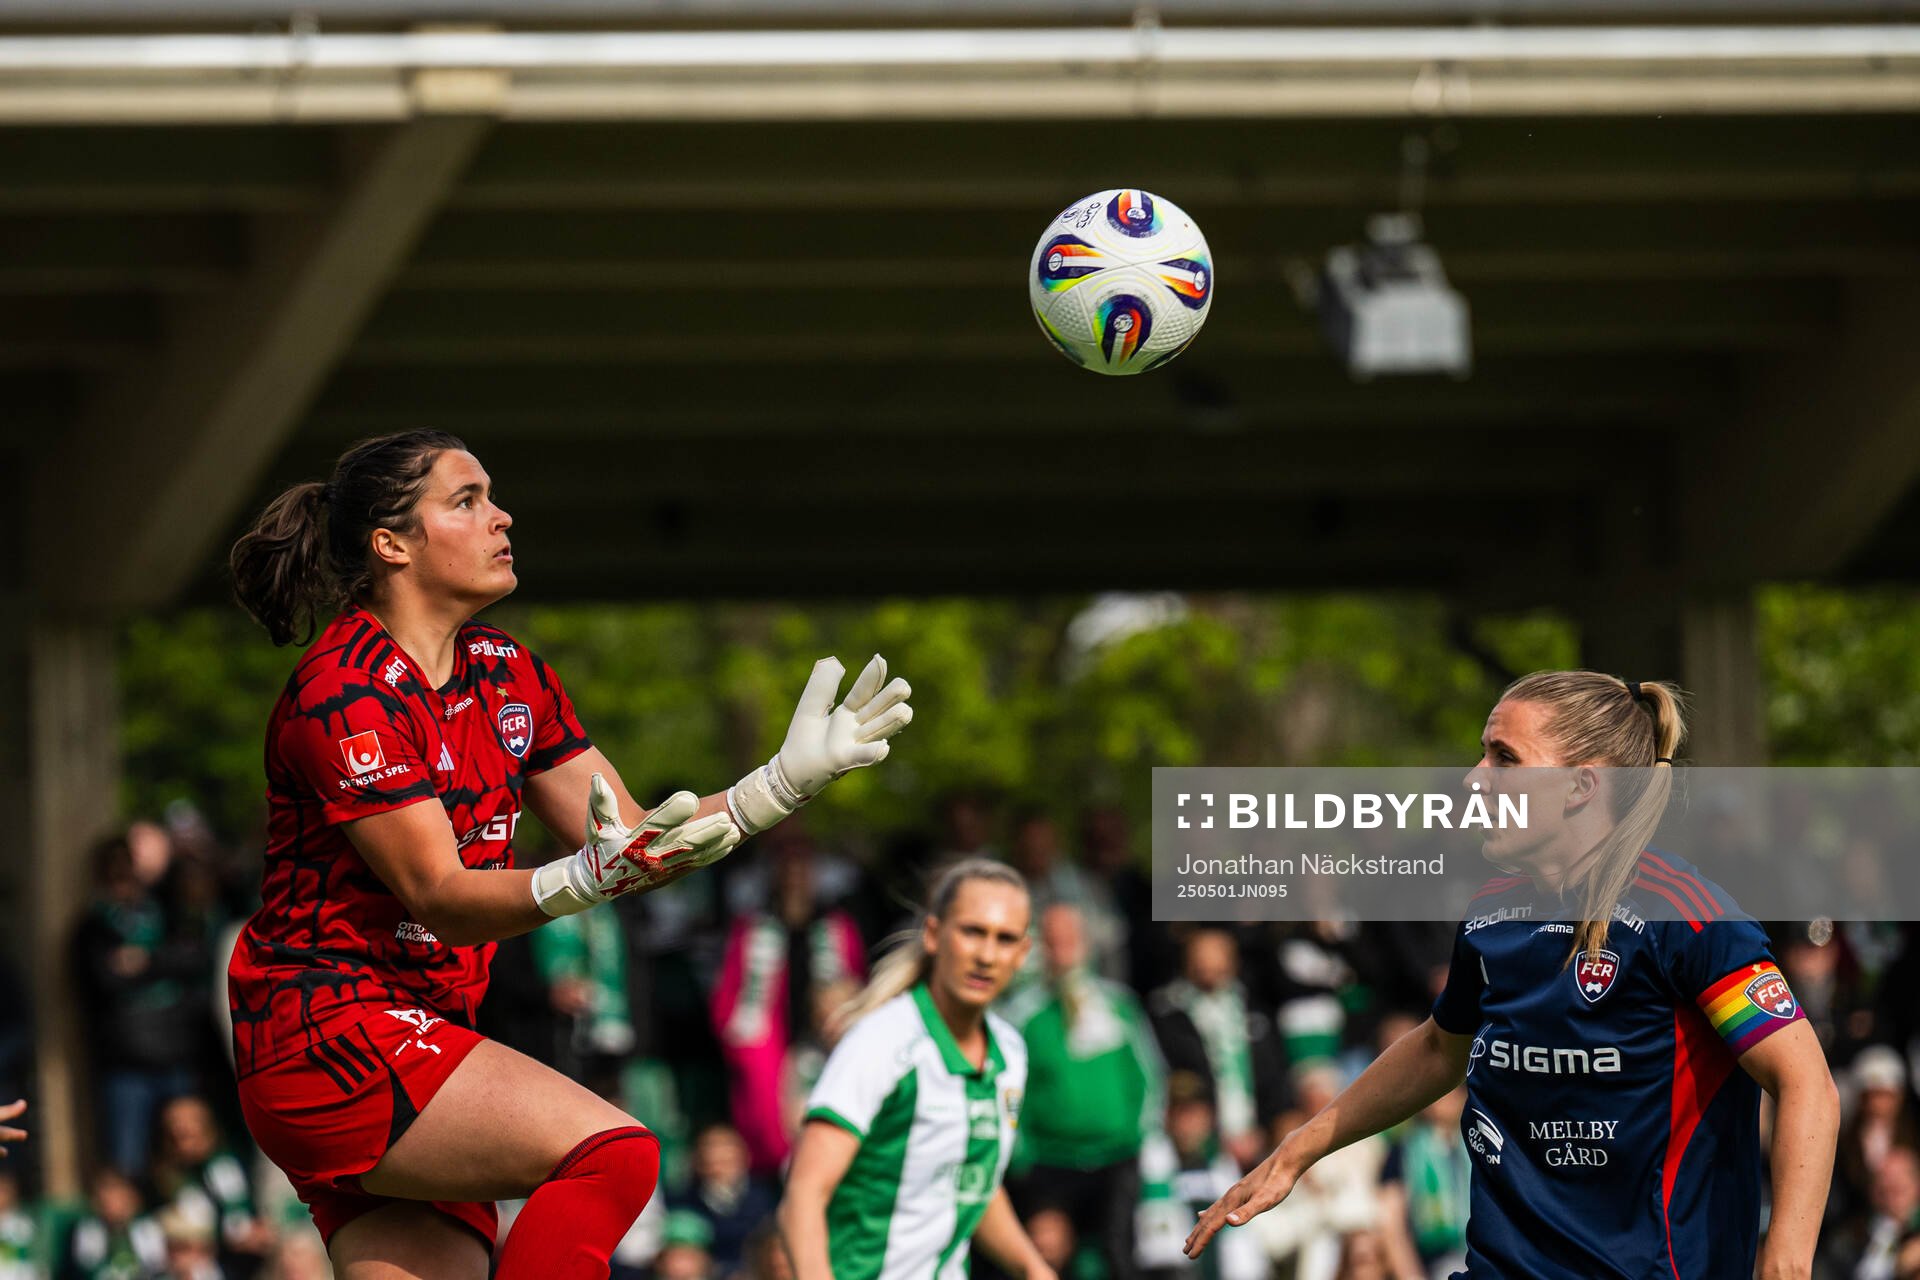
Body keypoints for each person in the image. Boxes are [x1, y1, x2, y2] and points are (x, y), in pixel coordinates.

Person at [223, 430, 915, 1280]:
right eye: (467, 500)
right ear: (392, 544)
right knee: (614, 1154)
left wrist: (772, 788)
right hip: (329, 1032)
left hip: (424, 1034)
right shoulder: (343, 690)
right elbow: (439, 894)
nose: (502, 517)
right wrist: (583, 878)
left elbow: (634, 838)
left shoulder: (508, 672)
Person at [1184, 672, 1841, 1279]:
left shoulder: (1687, 917)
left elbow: (1806, 1084)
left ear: (1581, 787)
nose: (1475, 779)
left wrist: (1784, 1263)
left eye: (1505, 758)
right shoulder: (1493, 914)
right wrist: (1296, 1153)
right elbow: (1438, 1048)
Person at [777, 858, 1051, 1280]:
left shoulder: (1010, 1051)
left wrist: (1033, 1268)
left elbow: (970, 1180)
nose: (986, 955)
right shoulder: (883, 1043)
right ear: (934, 934)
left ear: (1022, 953)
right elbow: (804, 1193)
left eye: (1004, 939)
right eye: (972, 932)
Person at [1002, 902, 1163, 1280]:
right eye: (1053, 941)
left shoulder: (1118, 1005)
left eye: (1070, 939)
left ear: (1086, 943)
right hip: (1050, 1165)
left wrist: (1139, 1136)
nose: (1062, 950)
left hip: (1116, 1158)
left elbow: (1149, 1074)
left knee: (1117, 1257)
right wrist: (1022, 1157)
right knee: (1046, 1259)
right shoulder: (1023, 1014)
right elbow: (1007, 1092)